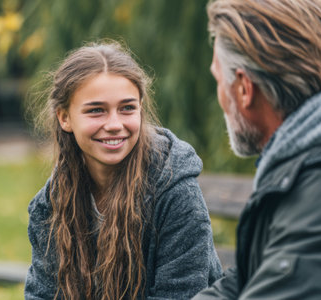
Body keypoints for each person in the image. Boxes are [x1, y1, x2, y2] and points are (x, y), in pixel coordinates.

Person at [194, 0, 321, 299]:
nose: (220, 95)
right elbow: (250, 277)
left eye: (219, 81)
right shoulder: (317, 159)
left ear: (244, 89)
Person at [24, 41, 223, 300]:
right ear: (65, 118)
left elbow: (180, 295)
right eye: (96, 111)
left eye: (127, 108)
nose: (115, 124)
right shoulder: (50, 206)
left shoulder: (175, 193)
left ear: (141, 107)